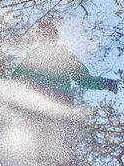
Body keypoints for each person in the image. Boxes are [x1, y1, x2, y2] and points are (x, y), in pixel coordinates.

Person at [11, 21, 118, 165]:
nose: (46, 37)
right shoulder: (33, 57)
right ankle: (36, 160)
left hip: (60, 101)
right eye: (43, 34)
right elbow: (16, 79)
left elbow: (83, 78)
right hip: (40, 99)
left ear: (55, 37)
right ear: (39, 38)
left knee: (64, 142)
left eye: (49, 34)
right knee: (39, 139)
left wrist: (103, 83)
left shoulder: (63, 55)